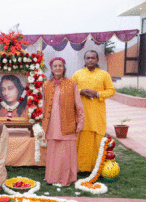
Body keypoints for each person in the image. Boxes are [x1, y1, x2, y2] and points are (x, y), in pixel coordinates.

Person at [42, 57, 85, 186]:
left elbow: (79, 105)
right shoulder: (46, 84)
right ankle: (52, 177)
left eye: (60, 65)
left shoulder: (72, 83)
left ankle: (67, 178)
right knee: (53, 151)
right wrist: (42, 124)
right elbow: (44, 105)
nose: (58, 68)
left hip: (68, 122)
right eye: (55, 66)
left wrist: (80, 122)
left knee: (66, 153)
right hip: (51, 123)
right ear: (51, 68)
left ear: (64, 68)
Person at [72, 50, 116, 172]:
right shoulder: (77, 74)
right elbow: (71, 90)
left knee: (97, 141)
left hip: (97, 114)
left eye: (93, 58)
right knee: (81, 141)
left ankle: (96, 168)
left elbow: (111, 91)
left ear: (97, 60)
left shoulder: (104, 75)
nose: (90, 60)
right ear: (84, 60)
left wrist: (97, 94)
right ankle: (80, 167)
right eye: (88, 58)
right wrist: (81, 91)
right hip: (82, 113)